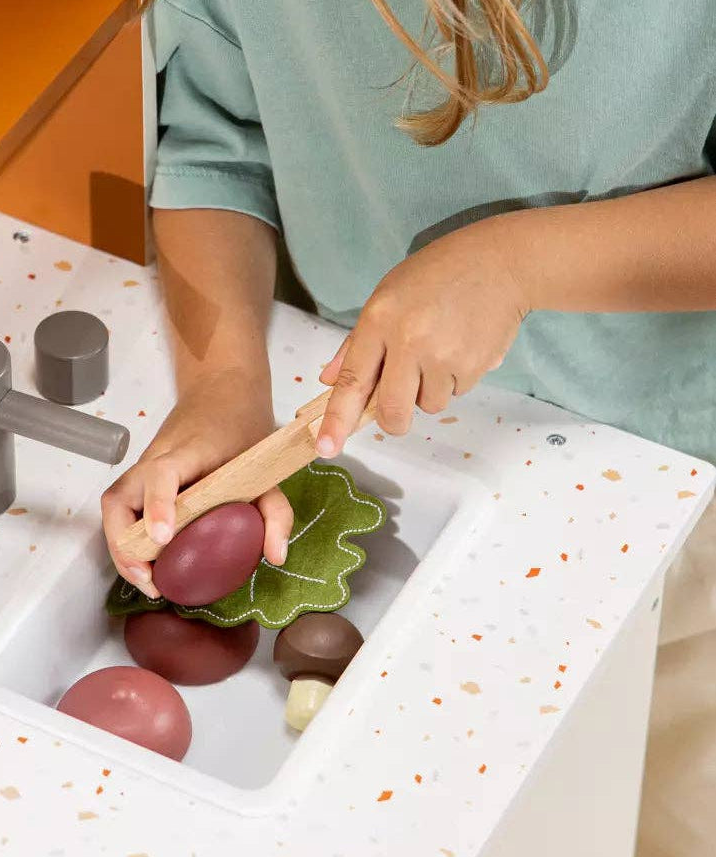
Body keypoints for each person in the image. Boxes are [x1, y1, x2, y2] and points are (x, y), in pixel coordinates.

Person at [100, 3, 716, 853]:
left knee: (672, 804)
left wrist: (519, 263)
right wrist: (224, 382)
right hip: (402, 446)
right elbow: (213, 148)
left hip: (671, 480)